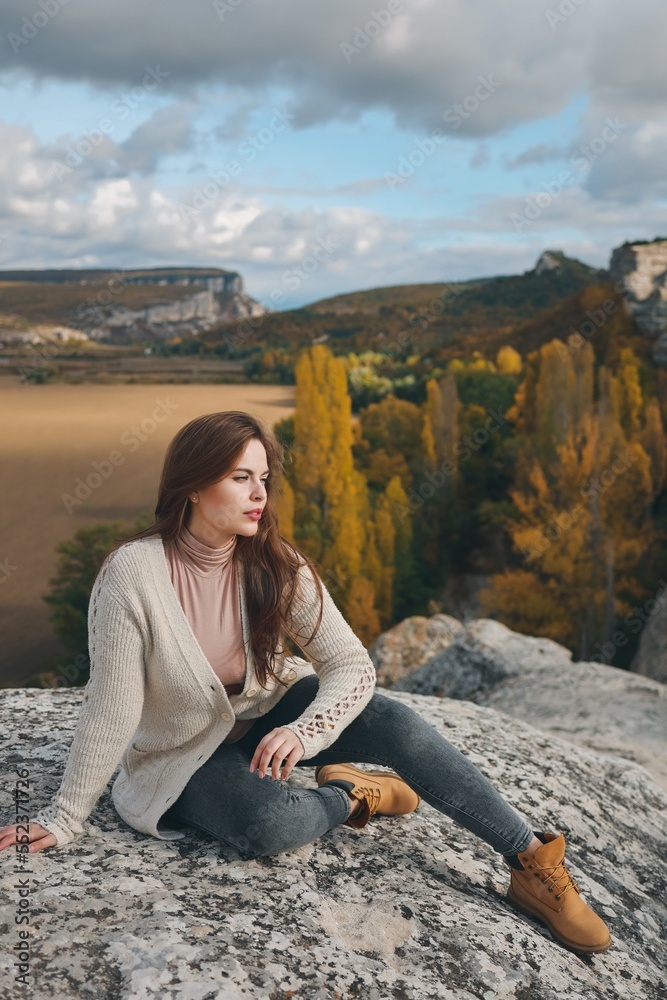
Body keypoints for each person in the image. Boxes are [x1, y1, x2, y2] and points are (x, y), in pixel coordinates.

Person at [0, 410, 612, 956]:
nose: (259, 493)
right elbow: (112, 710)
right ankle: (356, 796)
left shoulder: (272, 560)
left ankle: (530, 860)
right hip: (184, 756)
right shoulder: (133, 574)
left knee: (394, 721)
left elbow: (352, 664)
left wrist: (305, 730)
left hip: (270, 713)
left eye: (264, 478)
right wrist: (64, 815)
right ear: (192, 485)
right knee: (271, 827)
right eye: (242, 477)